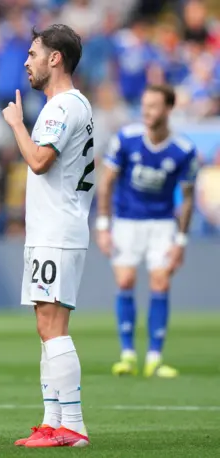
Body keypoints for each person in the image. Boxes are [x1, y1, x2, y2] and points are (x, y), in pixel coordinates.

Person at [2, 24, 94, 447]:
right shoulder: (72, 105)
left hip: (57, 230)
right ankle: (52, 421)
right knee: (46, 327)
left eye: (33, 52)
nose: (26, 61)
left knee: (52, 327)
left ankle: (72, 426)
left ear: (55, 58)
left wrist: (17, 125)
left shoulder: (60, 108)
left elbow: (39, 160)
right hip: (55, 229)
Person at [96, 84, 198, 378]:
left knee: (161, 282)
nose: (147, 111)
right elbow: (107, 182)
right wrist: (104, 225)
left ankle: (154, 357)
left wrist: (181, 240)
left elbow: (188, 197)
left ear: (168, 109)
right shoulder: (126, 140)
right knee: (126, 280)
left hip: (162, 223)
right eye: (144, 105)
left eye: (153, 106)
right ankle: (127, 355)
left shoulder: (183, 150)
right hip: (127, 221)